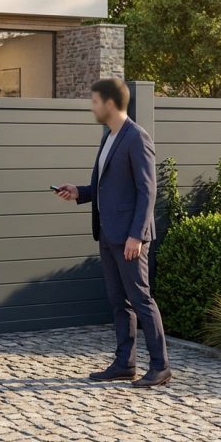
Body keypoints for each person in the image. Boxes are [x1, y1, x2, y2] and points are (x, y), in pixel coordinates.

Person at [55, 78, 172, 388]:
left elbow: (147, 190)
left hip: (129, 237)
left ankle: (160, 366)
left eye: (94, 101)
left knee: (141, 299)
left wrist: (137, 235)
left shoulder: (136, 137)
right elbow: (106, 186)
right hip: (107, 233)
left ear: (109, 103)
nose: (92, 107)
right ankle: (125, 363)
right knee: (118, 301)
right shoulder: (109, 137)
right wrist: (78, 192)